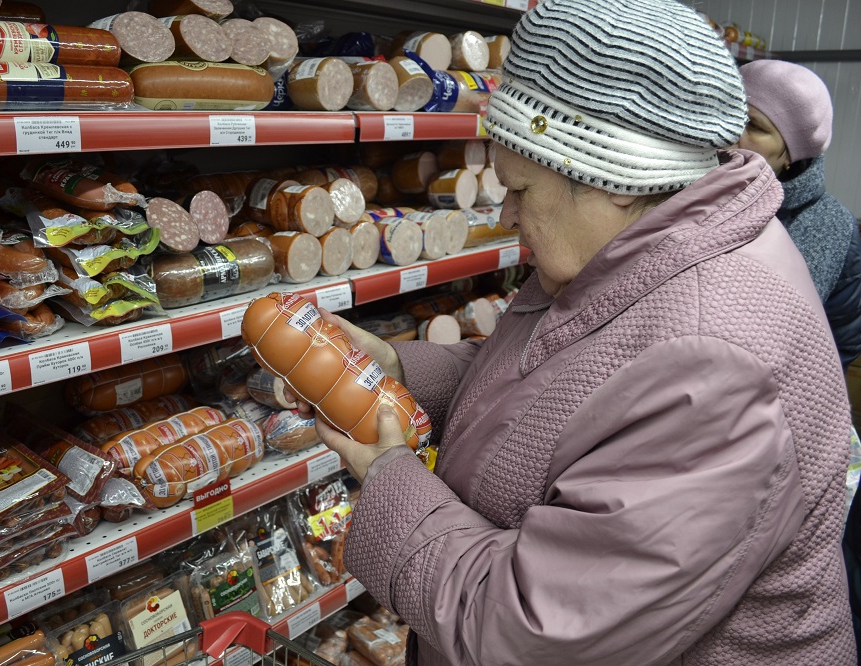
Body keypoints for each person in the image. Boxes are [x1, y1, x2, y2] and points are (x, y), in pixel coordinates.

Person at [288, 0, 856, 663]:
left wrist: (390, 482)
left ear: (618, 178)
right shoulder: (638, 248)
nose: (506, 214)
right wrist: (397, 368)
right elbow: (555, 378)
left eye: (522, 190)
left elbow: (533, 632)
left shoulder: (715, 363)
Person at [737, 59, 861, 370]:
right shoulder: (677, 193)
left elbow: (841, 337)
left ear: (792, 154)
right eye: (730, 116)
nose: (732, 133)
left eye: (754, 126)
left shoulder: (832, 228)